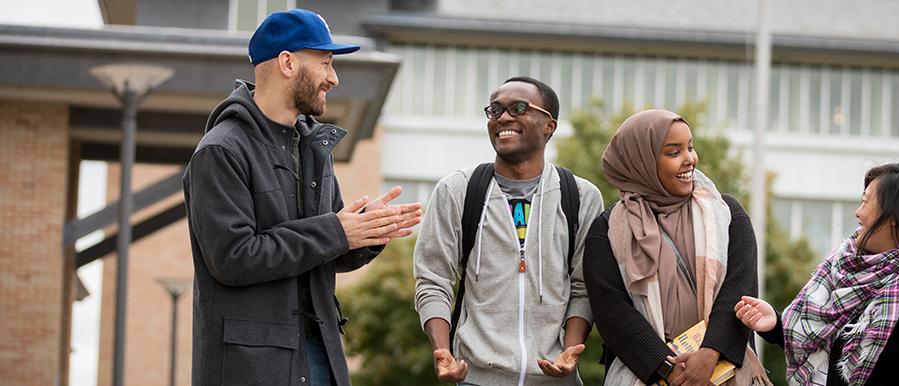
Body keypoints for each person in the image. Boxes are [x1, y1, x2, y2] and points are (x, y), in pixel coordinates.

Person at [183, 9, 422, 386]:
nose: (333, 78)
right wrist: (337, 231)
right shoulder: (221, 151)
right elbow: (233, 258)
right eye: (325, 63)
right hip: (253, 368)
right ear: (288, 63)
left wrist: (366, 232)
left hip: (320, 353)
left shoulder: (313, 147)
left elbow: (322, 248)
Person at [413, 76, 604, 385]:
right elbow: (433, 280)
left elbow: (583, 286)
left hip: (555, 378)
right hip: (475, 377)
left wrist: (569, 352)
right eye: (495, 110)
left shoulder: (581, 196)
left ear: (549, 125)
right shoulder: (457, 191)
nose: (503, 118)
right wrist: (443, 351)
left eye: (518, 108)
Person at [735, 163, 899, 386]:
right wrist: (776, 325)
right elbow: (827, 346)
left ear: (894, 216)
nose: (858, 213)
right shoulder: (849, 271)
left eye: (865, 202)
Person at [584, 109, 770, 386]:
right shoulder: (608, 229)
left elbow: (740, 289)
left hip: (725, 373)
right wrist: (669, 370)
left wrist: (709, 355)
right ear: (641, 161)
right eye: (674, 153)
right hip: (646, 376)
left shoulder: (726, 213)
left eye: (690, 148)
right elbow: (612, 312)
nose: (690, 160)